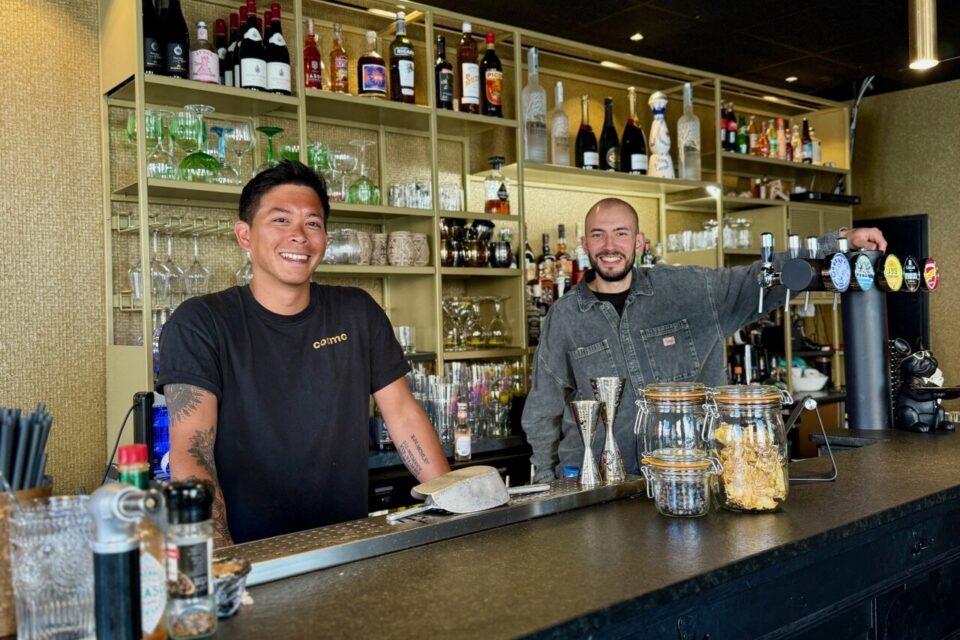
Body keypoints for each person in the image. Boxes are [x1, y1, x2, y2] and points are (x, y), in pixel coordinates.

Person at [156, 161, 450, 546]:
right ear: (244, 235)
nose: (299, 236)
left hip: (346, 547)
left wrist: (452, 507)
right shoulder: (201, 322)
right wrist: (221, 558)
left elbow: (403, 414)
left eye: (312, 223)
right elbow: (192, 450)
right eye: (280, 220)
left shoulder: (357, 312)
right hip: (249, 552)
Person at [522, 197, 887, 482]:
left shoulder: (689, 291)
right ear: (585, 242)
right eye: (598, 235)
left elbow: (762, 278)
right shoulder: (565, 316)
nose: (609, 245)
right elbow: (542, 411)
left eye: (620, 233)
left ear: (639, 241)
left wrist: (835, 244)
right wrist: (549, 482)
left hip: (691, 480)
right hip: (596, 485)